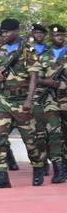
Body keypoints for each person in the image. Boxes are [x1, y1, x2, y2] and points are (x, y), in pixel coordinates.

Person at [0, 18, 44, 188]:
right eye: (3, 32)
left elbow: (34, 77)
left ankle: (38, 167)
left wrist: (29, 100)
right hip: (4, 100)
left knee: (30, 140)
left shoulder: (28, 50)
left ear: (17, 31)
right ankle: (2, 175)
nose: (4, 34)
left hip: (22, 100)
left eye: (8, 32)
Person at [42, 24, 67, 183]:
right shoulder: (43, 55)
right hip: (50, 99)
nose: (60, 38)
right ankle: (58, 168)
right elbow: (33, 77)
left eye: (62, 35)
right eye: (57, 35)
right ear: (51, 36)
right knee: (54, 132)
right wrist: (46, 82)